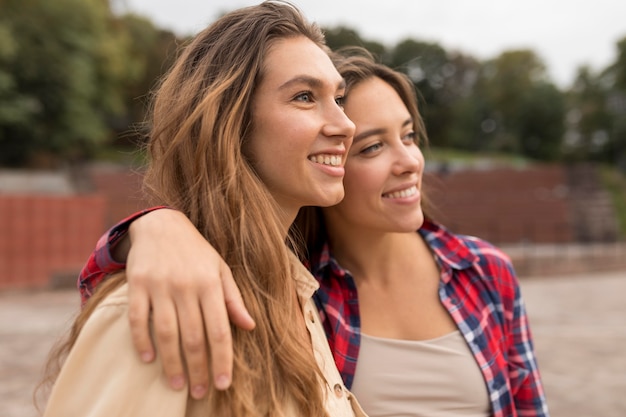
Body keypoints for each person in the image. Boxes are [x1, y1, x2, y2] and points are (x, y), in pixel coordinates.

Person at [77, 49, 550, 416]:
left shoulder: (484, 271)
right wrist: (151, 227)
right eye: (372, 147)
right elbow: (113, 307)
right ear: (335, 160)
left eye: (408, 136)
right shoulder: (297, 290)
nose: (409, 162)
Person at [39, 2, 367, 416]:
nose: (345, 124)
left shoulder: (298, 296)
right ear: (228, 121)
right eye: (305, 97)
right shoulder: (160, 308)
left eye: (338, 98)